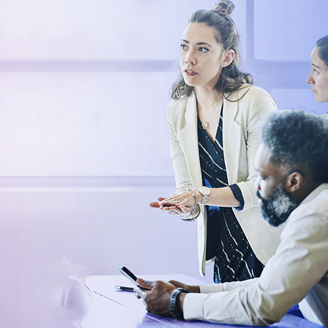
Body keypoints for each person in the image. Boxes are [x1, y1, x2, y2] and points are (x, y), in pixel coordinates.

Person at [139, 110, 328, 326]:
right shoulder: (317, 206)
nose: (257, 188)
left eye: (264, 177)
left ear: (294, 181)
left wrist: (178, 303)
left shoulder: (315, 216)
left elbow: (262, 305)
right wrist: (194, 291)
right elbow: (274, 284)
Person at [150, 0, 283, 282]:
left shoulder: (255, 102)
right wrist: (184, 204)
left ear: (227, 58)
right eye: (184, 46)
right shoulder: (177, 111)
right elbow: (188, 189)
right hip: (225, 245)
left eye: (202, 49)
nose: (189, 58)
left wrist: (200, 195)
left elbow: (265, 187)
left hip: (269, 244)